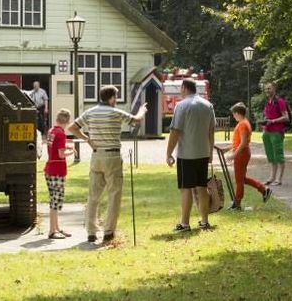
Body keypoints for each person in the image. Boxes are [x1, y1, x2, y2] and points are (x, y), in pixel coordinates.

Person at [69, 85, 146, 244]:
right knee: (114, 194)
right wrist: (142, 109)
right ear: (111, 98)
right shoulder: (115, 112)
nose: (116, 100)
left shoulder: (90, 112)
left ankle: (91, 232)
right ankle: (108, 232)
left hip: (96, 156)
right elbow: (136, 120)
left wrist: (87, 139)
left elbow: (72, 128)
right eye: (116, 97)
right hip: (112, 156)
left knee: (93, 195)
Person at [165, 77, 215, 232]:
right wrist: (210, 152)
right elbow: (211, 131)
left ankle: (185, 223)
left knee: (186, 188)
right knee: (201, 187)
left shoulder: (182, 105)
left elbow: (175, 131)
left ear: (184, 88)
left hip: (186, 154)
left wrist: (168, 153)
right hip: (203, 153)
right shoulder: (208, 105)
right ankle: (204, 221)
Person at [223, 103, 271, 210]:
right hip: (242, 153)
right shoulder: (243, 123)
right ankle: (263, 189)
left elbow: (243, 143)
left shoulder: (243, 124)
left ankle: (237, 204)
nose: (233, 116)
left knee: (239, 180)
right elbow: (238, 142)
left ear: (237, 113)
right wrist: (226, 149)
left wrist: (234, 155)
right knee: (242, 179)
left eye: (233, 114)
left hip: (242, 154)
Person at [45, 109, 75, 239]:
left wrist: (66, 147)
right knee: (56, 201)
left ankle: (56, 227)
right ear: (67, 122)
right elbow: (61, 154)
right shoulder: (61, 134)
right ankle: (52, 231)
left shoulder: (51, 131)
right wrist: (72, 152)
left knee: (53, 199)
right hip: (58, 170)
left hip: (49, 168)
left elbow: (55, 148)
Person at [261, 82, 289, 185]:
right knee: (271, 155)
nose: (267, 90)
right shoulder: (267, 102)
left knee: (278, 155)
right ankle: (272, 177)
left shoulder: (280, 101)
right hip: (267, 132)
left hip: (277, 132)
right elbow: (267, 116)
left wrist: (273, 121)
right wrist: (264, 122)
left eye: (269, 88)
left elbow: (286, 117)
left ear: (274, 89)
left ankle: (279, 179)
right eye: (266, 89)